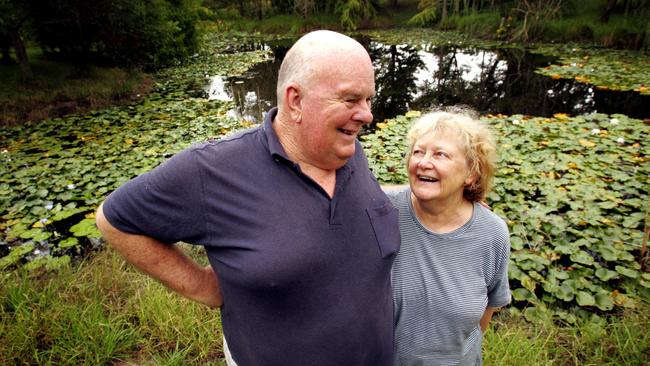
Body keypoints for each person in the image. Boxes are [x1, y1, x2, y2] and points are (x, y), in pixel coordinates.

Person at [95, 30, 400, 366]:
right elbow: (115, 219)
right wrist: (200, 285)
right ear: (295, 100)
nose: (367, 115)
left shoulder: (348, 149)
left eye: (369, 99)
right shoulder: (212, 169)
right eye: (350, 99)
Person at [388, 110, 511, 365]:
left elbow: (487, 311)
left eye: (440, 154)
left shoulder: (492, 233)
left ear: (471, 173)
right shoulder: (385, 211)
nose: (423, 162)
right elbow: (350, 192)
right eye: (418, 152)